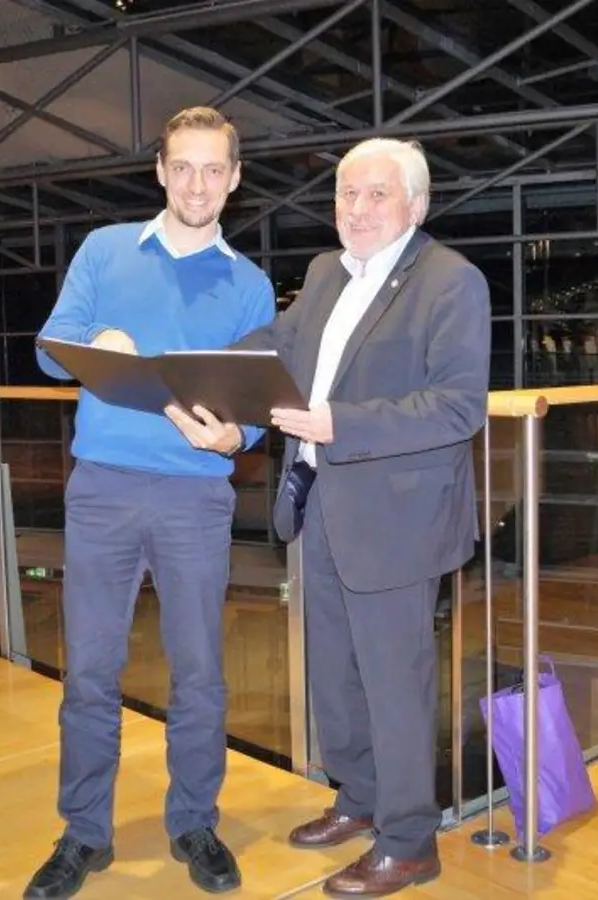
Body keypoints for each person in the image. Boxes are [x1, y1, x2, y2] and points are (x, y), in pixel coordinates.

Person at [167, 137, 490, 897]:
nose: (359, 209)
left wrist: (336, 422)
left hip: (398, 523)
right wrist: (196, 371)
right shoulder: (325, 274)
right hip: (321, 509)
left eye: (378, 194)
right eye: (347, 194)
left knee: (393, 685)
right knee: (338, 682)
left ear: (416, 204)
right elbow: (274, 345)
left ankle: (411, 841)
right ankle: (362, 798)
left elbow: (456, 406)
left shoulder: (451, 281)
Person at [25, 106, 274, 900]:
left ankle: (194, 820)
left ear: (234, 179)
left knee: (198, 672)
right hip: (100, 488)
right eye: (182, 166)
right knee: (91, 672)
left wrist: (237, 441)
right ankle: (84, 833)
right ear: (160, 171)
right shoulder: (104, 252)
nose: (197, 183)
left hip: (196, 498)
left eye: (213, 169)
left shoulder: (249, 284)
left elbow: (259, 407)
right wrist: (97, 347)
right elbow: (49, 350)